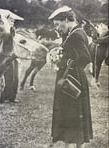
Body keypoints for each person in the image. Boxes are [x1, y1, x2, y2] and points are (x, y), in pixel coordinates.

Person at [48, 6, 93, 148]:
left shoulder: (76, 34)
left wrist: (67, 63)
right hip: (74, 78)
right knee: (72, 112)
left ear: (66, 20)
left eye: (57, 24)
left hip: (72, 79)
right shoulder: (74, 32)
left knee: (72, 112)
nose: (57, 28)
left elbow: (86, 57)